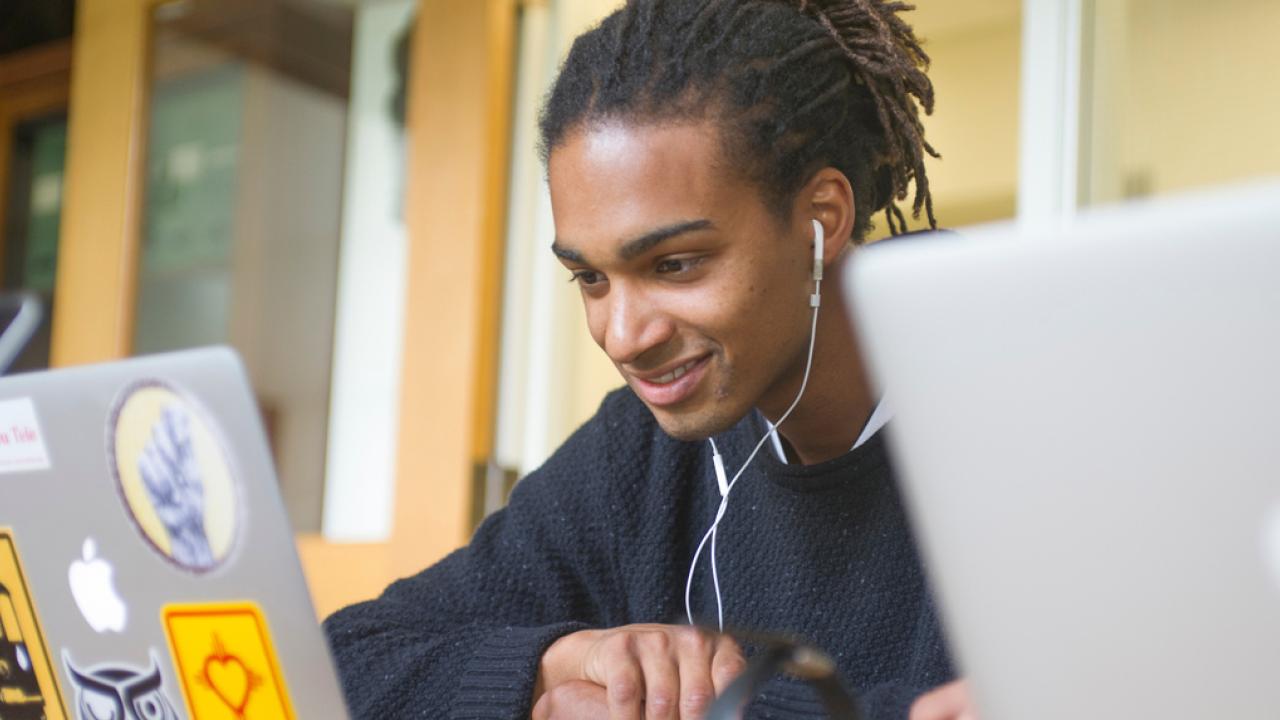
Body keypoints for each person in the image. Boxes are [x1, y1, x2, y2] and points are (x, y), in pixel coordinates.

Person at [324, 0, 978, 717]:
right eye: (591, 279)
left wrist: (685, 707)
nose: (624, 336)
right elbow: (341, 661)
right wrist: (549, 670)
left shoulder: (1036, 408)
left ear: (821, 218)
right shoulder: (641, 452)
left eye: (675, 265)